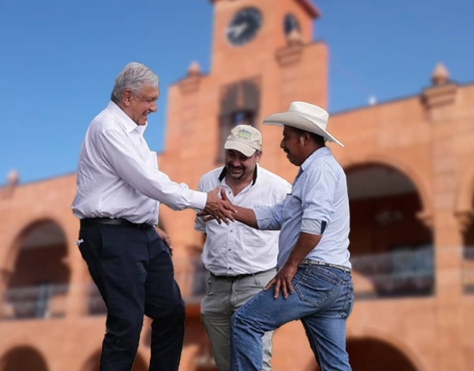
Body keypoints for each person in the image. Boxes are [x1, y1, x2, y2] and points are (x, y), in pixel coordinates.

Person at [71, 62, 236, 371]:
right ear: (128, 97)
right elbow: (148, 182)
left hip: (139, 234)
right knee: (127, 321)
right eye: (149, 100)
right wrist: (204, 200)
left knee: (171, 311)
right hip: (111, 236)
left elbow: (137, 188)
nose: (155, 107)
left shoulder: (134, 133)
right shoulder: (108, 128)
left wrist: (149, 225)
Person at [200, 101, 354, 371]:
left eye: (287, 137)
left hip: (314, 275)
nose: (283, 144)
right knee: (335, 365)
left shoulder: (319, 170)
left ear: (305, 138)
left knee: (244, 322)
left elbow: (314, 225)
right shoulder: (315, 170)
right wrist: (229, 209)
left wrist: (289, 267)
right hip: (335, 282)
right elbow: (276, 215)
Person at [194, 125, 291, 371]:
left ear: (258, 155)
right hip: (217, 287)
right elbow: (203, 230)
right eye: (231, 154)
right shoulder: (206, 181)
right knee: (226, 365)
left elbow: (294, 234)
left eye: (243, 156)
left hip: (257, 285)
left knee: (256, 363)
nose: (235, 162)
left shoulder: (279, 189)